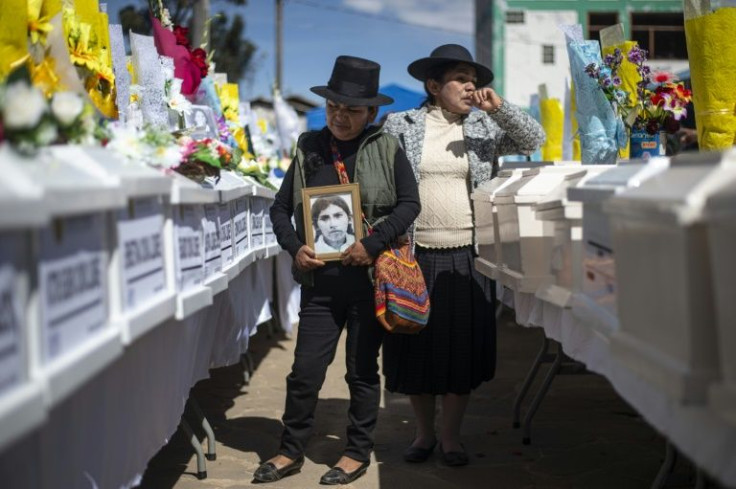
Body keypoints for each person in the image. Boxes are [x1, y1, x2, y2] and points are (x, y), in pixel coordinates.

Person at [381, 44, 545, 466]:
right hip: (414, 252)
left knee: (461, 349)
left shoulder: (484, 127)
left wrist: (499, 108)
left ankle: (451, 438)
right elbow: (379, 178)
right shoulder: (400, 123)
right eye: (459, 77)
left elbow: (535, 138)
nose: (471, 86)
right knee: (415, 345)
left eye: (474, 78)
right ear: (434, 86)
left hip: (468, 255)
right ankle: (423, 434)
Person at [260, 55, 420, 485]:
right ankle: (289, 450)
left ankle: (355, 452)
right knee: (305, 371)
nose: (340, 116)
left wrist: (371, 244)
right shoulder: (308, 148)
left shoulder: (386, 147)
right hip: (321, 283)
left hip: (370, 284)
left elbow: (409, 204)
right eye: (334, 107)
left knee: (361, 372)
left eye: (351, 110)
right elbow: (279, 209)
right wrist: (295, 248)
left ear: (371, 113)